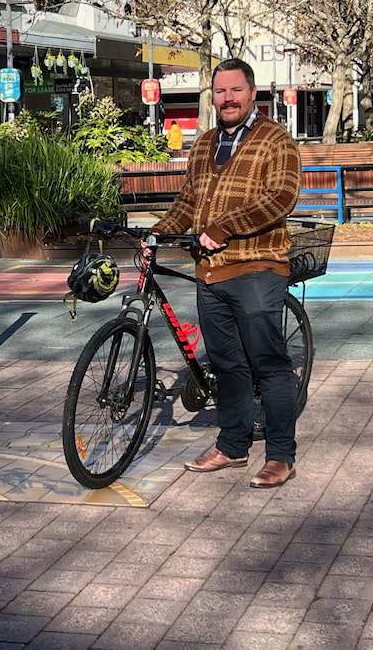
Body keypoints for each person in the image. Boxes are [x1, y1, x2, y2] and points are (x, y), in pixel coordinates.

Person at [149, 58, 303, 488]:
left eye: (236, 90)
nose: (228, 98)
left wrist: (224, 227)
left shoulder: (276, 140)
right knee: (227, 363)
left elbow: (281, 197)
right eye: (220, 91)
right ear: (212, 95)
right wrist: (159, 232)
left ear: (252, 93)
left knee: (268, 364)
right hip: (210, 273)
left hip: (257, 267)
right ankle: (233, 446)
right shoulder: (205, 142)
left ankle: (281, 456)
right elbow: (187, 202)